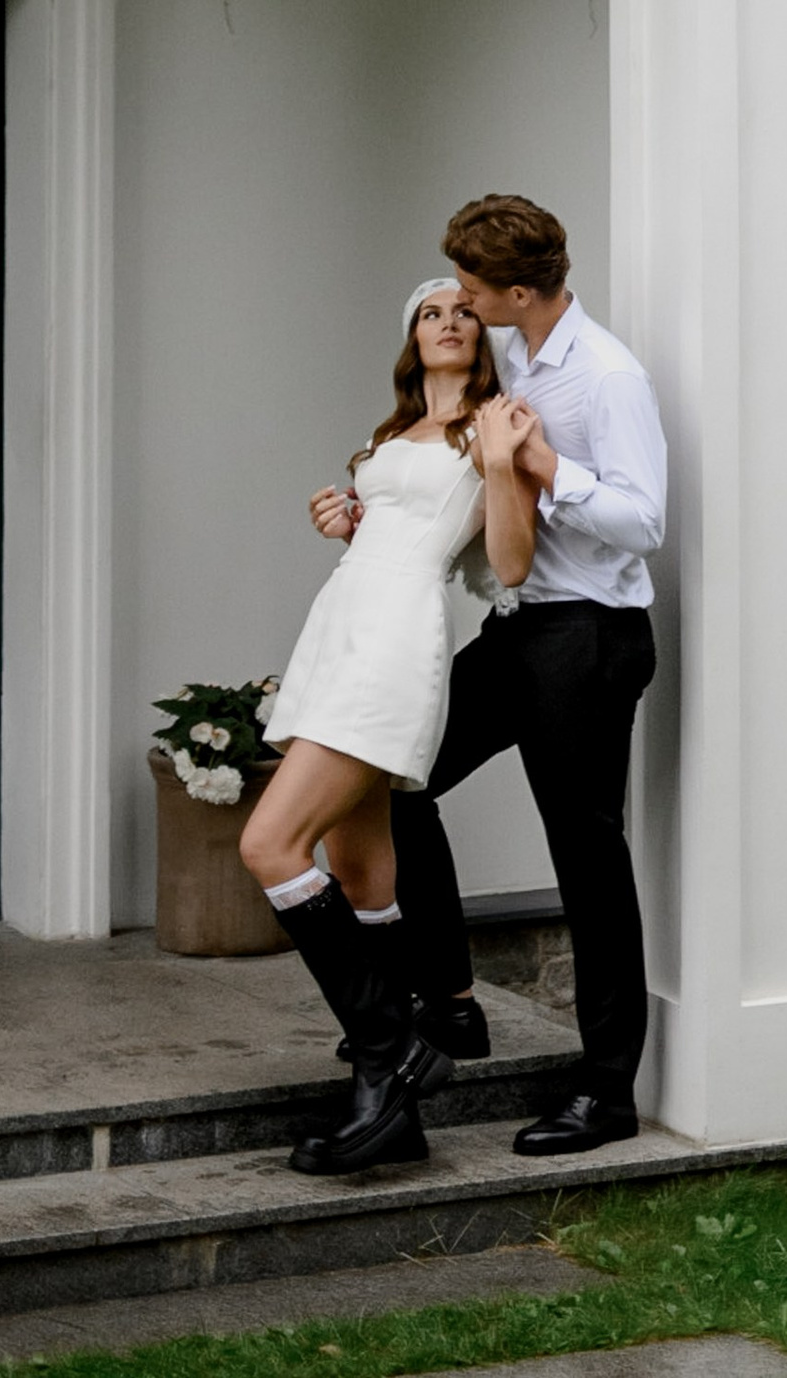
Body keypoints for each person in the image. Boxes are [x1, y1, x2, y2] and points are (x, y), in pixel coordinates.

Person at [241, 278, 540, 1175]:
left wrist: (498, 469)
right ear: (411, 336)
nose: (447, 322)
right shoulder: (393, 433)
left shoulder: (500, 425)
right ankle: (389, 1112)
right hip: (341, 625)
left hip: (396, 643)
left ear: (484, 335)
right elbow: (394, 533)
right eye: (428, 312)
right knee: (360, 865)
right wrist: (348, 526)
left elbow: (511, 561)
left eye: (462, 311)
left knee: (269, 845)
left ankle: (393, 1049)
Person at [389, 192, 666, 1155]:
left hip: (590, 636)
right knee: (399, 776)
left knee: (586, 859)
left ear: (515, 290)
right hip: (519, 630)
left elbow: (644, 522)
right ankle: (453, 999)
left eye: (470, 287)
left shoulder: (606, 378)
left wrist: (550, 469)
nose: (458, 301)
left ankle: (606, 1094)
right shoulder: (515, 358)